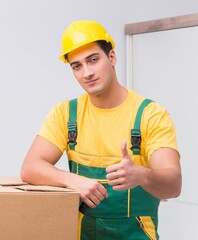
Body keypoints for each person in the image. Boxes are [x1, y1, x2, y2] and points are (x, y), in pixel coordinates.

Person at [21, 20, 182, 240]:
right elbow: (30, 167)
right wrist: (72, 180)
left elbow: (173, 185)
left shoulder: (150, 114)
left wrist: (141, 175)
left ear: (112, 57)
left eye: (93, 60)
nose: (86, 72)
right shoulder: (66, 114)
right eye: (77, 66)